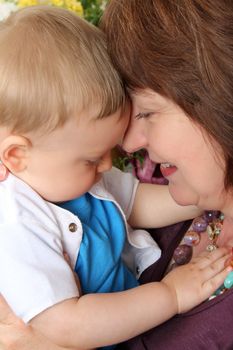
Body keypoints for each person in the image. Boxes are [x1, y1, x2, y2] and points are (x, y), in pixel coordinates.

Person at [0, 3, 231, 350]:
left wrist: (210, 195)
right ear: (17, 156)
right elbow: (64, 326)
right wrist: (168, 294)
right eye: (92, 159)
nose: (115, 158)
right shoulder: (17, 222)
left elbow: (136, 201)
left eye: (149, 112)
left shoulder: (69, 174)